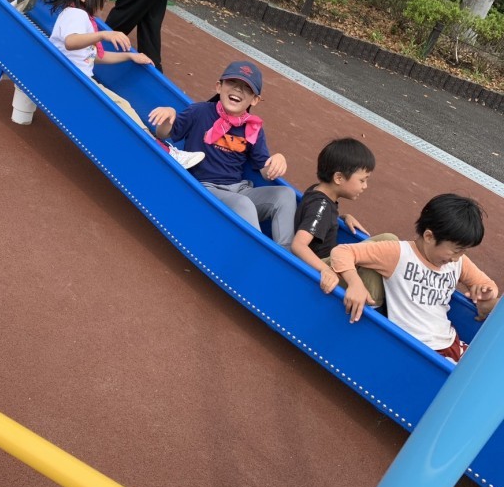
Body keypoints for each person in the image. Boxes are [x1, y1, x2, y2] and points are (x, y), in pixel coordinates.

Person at [42, 0, 204, 170]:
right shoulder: (76, 14)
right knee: (122, 109)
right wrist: (104, 34)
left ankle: (159, 148)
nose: (105, 1)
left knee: (122, 107)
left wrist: (129, 56)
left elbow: (92, 56)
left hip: (77, 81)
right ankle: (162, 152)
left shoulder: (79, 16)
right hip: (74, 84)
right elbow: (71, 42)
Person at [329, 193, 499, 362]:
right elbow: (342, 252)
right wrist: (355, 283)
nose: (457, 257)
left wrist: (486, 292)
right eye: (455, 251)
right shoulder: (399, 254)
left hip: (450, 341)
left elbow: (487, 284)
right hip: (422, 350)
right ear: (429, 237)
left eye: (463, 251)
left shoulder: (459, 262)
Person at [148, 60, 297, 249]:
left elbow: (265, 172)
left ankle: (285, 253)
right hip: (205, 188)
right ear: (219, 86)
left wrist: (278, 159)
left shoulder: (253, 128)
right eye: (232, 82)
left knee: (285, 194)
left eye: (247, 88)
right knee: (243, 204)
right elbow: (163, 135)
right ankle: (260, 255)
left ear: (254, 100)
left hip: (239, 190)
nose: (238, 89)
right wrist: (169, 116)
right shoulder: (200, 111)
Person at [291, 138, 394, 304]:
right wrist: (325, 270)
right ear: (338, 178)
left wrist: (343, 217)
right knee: (386, 245)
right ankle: (374, 305)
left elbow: (317, 218)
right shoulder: (322, 206)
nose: (365, 186)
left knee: (383, 248)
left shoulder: (319, 194)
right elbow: (298, 245)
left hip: (334, 263)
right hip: (326, 269)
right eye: (362, 180)